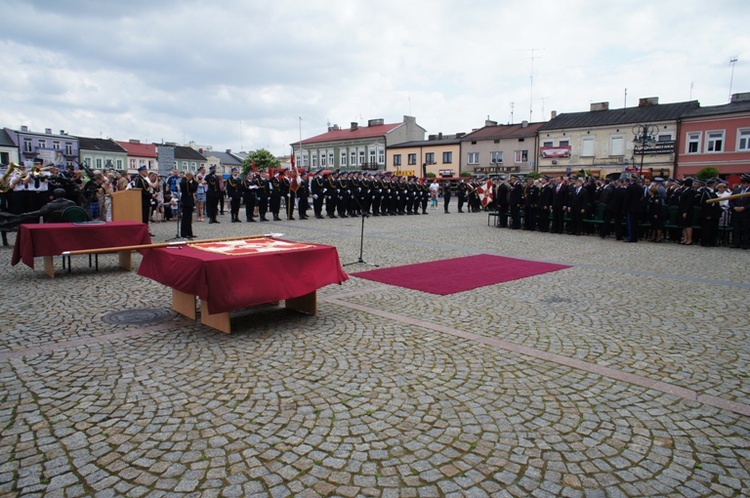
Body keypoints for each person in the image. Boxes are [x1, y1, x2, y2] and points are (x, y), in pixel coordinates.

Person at [730, 173, 750, 249]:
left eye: (744, 183)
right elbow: (731, 201)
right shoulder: (736, 190)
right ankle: (736, 243)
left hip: (746, 213)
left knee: (746, 229)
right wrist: (734, 207)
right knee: (736, 229)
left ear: (748, 183)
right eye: (741, 183)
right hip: (736, 213)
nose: (742, 185)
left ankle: (746, 244)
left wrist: (744, 208)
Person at [179, 171, 197, 239]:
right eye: (191, 177)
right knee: (186, 218)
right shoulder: (185, 182)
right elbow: (192, 189)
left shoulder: (185, 181)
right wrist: (195, 182)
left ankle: (189, 232)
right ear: (189, 176)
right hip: (187, 202)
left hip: (188, 201)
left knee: (189, 218)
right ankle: (184, 233)